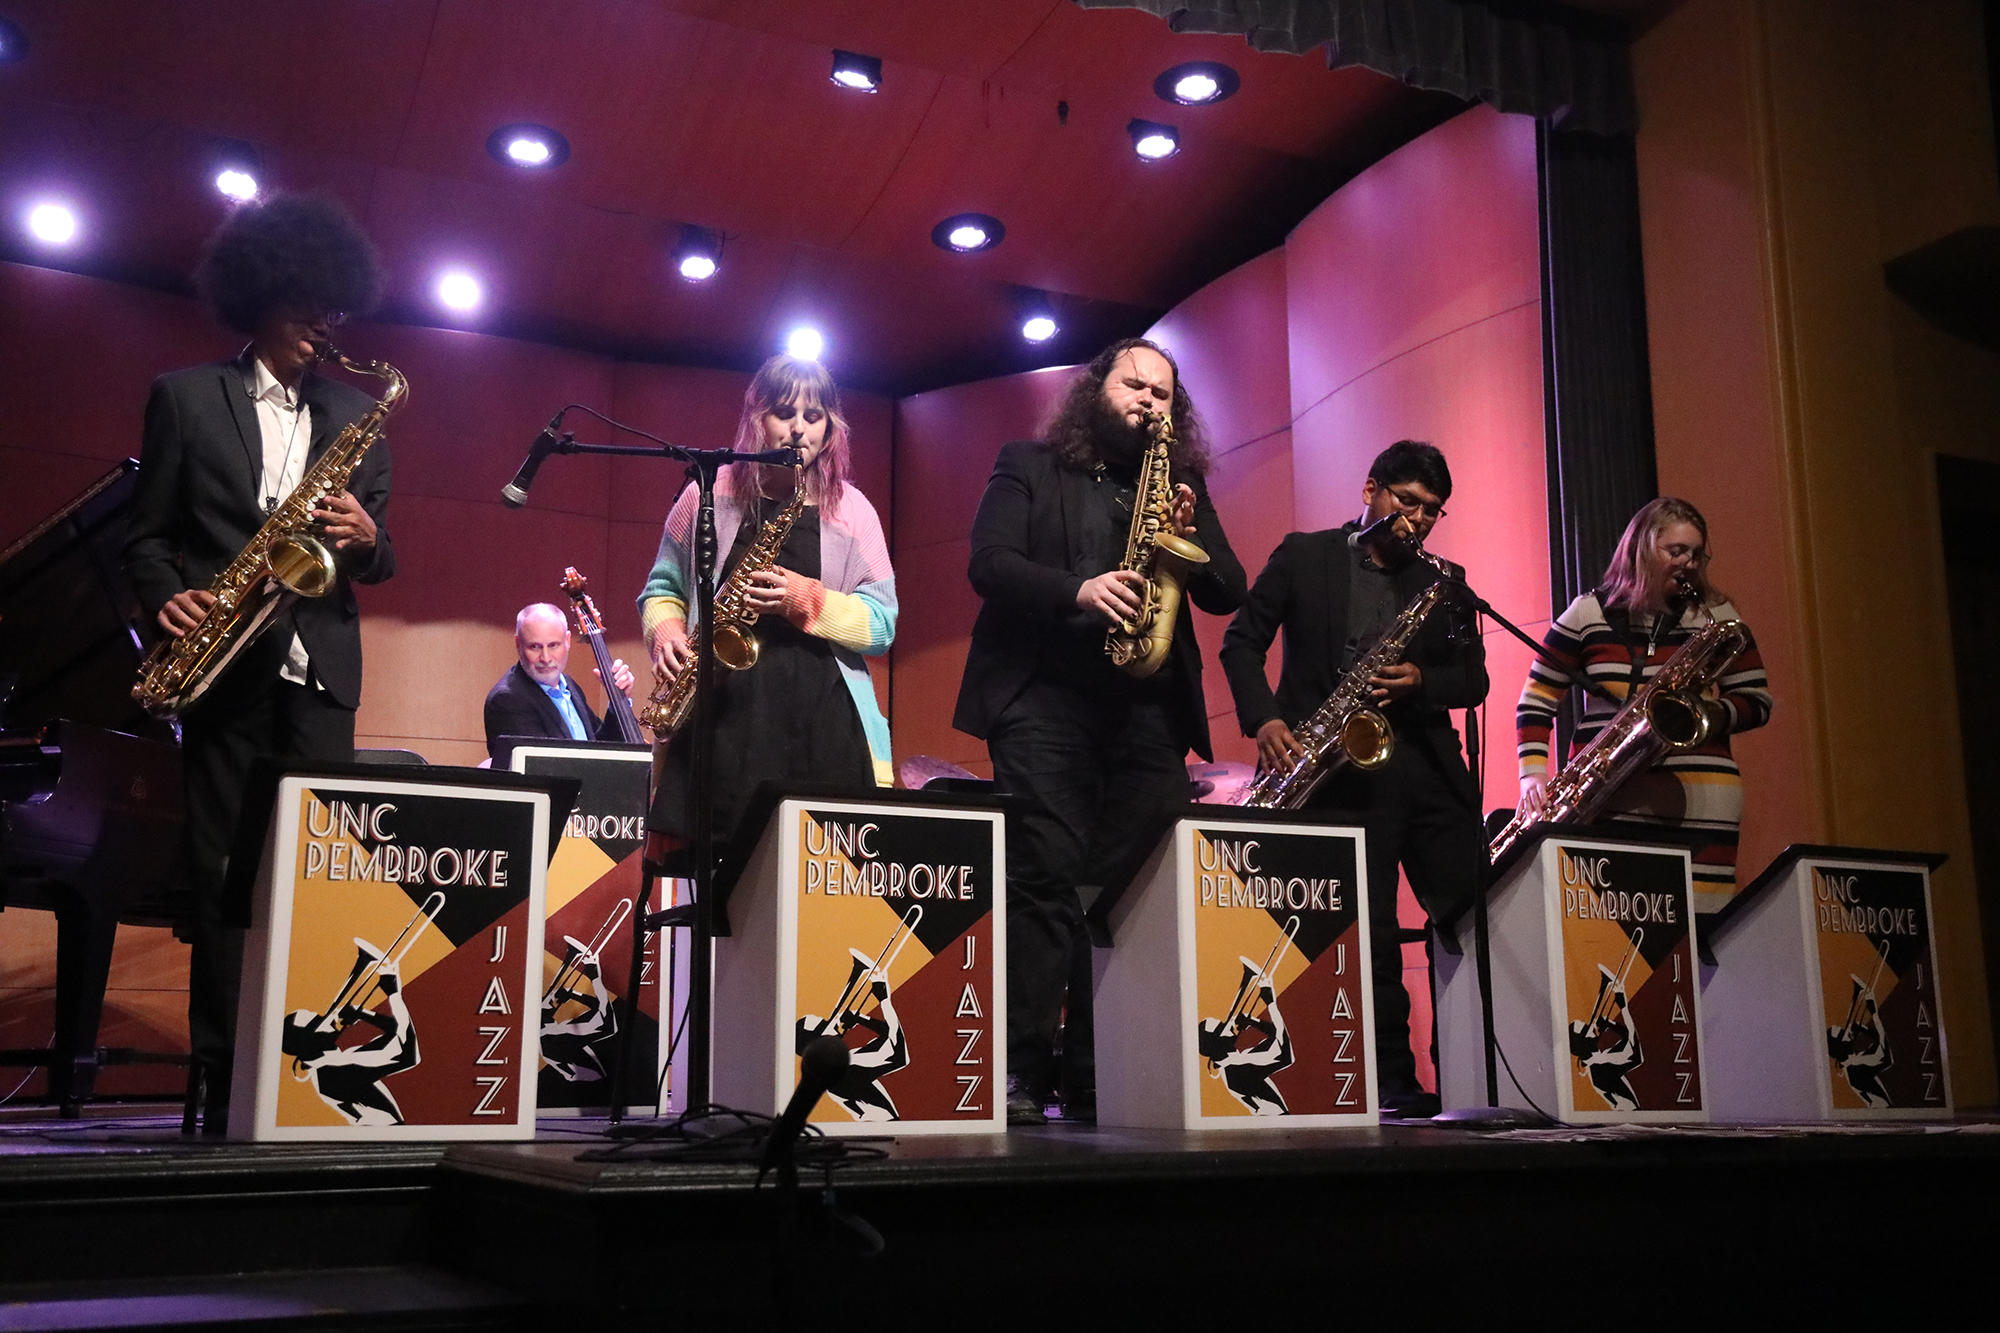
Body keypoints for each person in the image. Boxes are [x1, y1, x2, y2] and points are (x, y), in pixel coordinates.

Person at [124, 192, 392, 1133]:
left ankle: (302, 1079)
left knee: (318, 884)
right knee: (222, 875)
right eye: (307, 304)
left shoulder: (360, 413)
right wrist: (166, 596)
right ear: (261, 294)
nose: (325, 323)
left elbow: (382, 557)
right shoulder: (185, 396)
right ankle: (217, 1077)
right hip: (225, 670)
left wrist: (367, 538)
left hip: (320, 676)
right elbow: (146, 538)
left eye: (334, 307)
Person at [954, 337, 1247, 1125]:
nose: (1149, 399)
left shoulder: (1181, 482)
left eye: (1163, 392)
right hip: (1043, 698)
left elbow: (1229, 589)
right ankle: (1020, 1071)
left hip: (1146, 709)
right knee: (1045, 878)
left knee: (1128, 891)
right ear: (1096, 390)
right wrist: (1078, 590)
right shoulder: (1027, 462)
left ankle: (1100, 1071)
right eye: (1134, 383)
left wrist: (1194, 532)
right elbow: (988, 564)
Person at [1218, 441, 1487, 1120]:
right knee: (1369, 931)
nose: (1417, 519)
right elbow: (1241, 642)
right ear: (1371, 489)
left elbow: (1474, 680)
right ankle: (1392, 1078)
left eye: (1431, 510)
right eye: (1406, 501)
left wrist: (1423, 680)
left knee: (1472, 916)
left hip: (1425, 769)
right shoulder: (1303, 555)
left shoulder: (1444, 581)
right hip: (1338, 773)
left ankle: (1476, 1071)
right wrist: (1266, 721)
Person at [640, 355, 896, 871]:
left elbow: (882, 624)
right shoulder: (706, 495)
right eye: (784, 412)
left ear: (830, 429)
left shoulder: (854, 510)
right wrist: (666, 632)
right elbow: (662, 588)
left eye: (814, 416)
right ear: (757, 417)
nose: (799, 428)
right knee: (716, 884)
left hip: (822, 725)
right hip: (723, 721)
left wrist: (806, 599)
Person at [1515, 497, 1772, 906]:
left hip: (1703, 802)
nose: (1688, 564)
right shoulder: (1587, 613)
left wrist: (1704, 714)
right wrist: (1532, 774)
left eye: (1696, 554)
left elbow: (1758, 700)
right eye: (1676, 551)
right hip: (1607, 798)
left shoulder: (1717, 616)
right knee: (1613, 923)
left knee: (1704, 925)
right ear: (1642, 549)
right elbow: (1537, 698)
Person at [483, 602, 636, 759]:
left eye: (553, 645)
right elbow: (545, 765)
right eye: (535, 647)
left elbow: (601, 749)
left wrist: (619, 702)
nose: (546, 658)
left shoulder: (569, 685)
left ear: (567, 641)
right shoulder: (507, 700)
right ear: (518, 644)